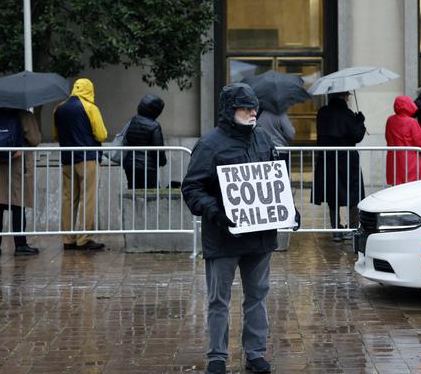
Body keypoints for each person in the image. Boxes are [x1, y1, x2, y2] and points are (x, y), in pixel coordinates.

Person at [181, 83, 278, 374]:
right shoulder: (210, 144)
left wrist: (289, 210)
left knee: (257, 296)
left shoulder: (263, 139)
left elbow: (274, 183)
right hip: (223, 237)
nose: (252, 113)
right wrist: (216, 212)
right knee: (218, 300)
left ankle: (255, 352)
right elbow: (192, 187)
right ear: (229, 109)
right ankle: (217, 357)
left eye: (254, 107)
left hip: (260, 237)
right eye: (245, 108)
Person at [54, 78, 107, 251]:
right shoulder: (90, 107)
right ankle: (84, 238)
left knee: (68, 198)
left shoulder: (59, 108)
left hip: (67, 159)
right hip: (87, 157)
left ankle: (68, 239)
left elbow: (56, 135)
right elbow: (101, 135)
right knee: (87, 197)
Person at [0, 107, 42, 256]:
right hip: (18, 166)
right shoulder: (24, 115)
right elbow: (35, 139)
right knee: (18, 206)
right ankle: (20, 245)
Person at [312, 91, 366, 242]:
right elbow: (357, 136)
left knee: (332, 195)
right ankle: (352, 228)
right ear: (342, 96)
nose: (349, 97)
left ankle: (336, 230)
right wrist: (360, 121)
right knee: (353, 194)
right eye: (347, 95)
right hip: (347, 159)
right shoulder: (347, 114)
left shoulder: (322, 112)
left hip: (328, 160)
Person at [121, 93, 167, 189]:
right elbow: (158, 149)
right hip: (147, 167)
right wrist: (162, 161)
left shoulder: (132, 121)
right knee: (151, 196)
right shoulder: (154, 126)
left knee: (133, 193)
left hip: (130, 165)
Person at [384, 95, 421, 185]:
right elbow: (418, 142)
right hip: (410, 159)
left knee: (396, 186)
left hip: (394, 158)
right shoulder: (412, 122)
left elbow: (387, 137)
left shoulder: (390, 120)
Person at [257, 107, 296, 173]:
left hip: (262, 151)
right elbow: (290, 134)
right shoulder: (280, 114)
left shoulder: (258, 113)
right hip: (280, 151)